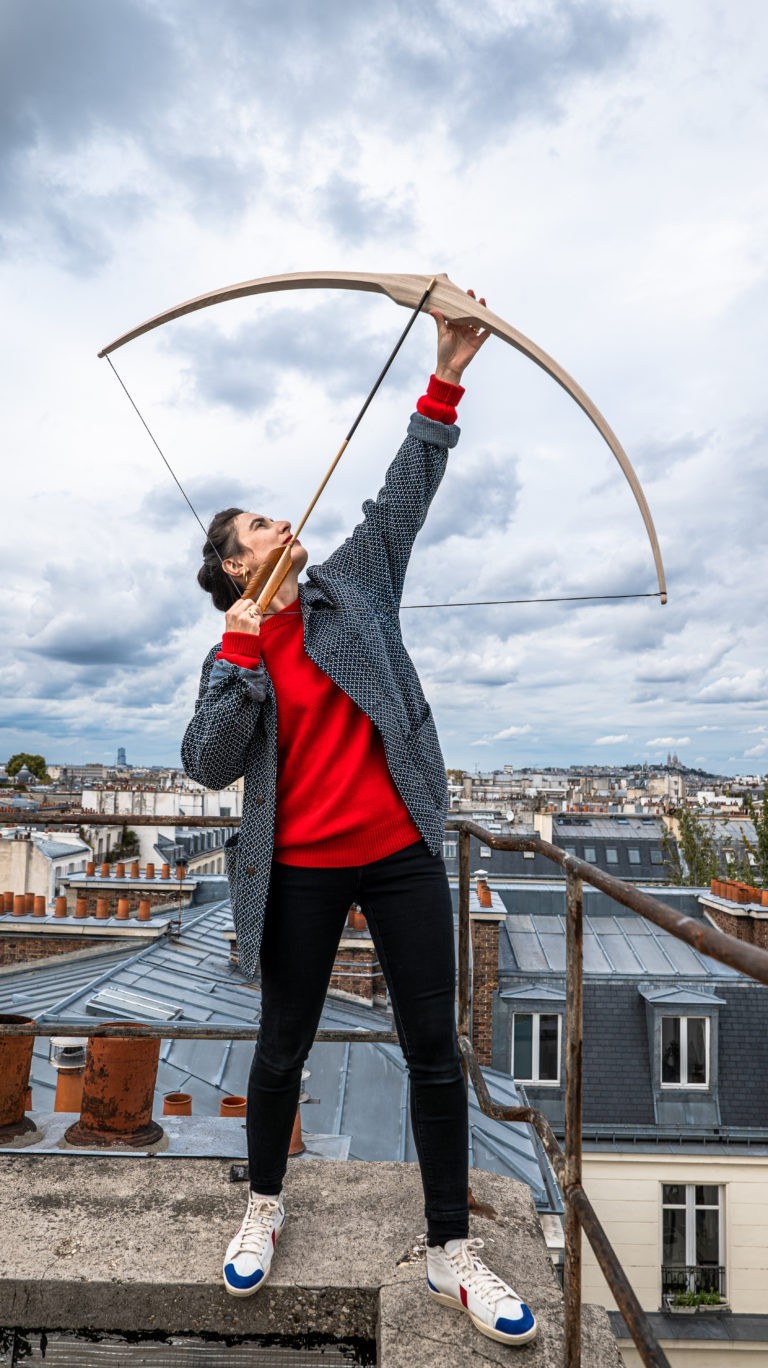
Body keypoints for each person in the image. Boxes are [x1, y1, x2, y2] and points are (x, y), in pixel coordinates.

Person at [181, 289, 537, 1348]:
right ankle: (263, 1209)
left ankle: (448, 1252)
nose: (281, 523)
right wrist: (242, 656)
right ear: (235, 568)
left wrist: (450, 364)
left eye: (275, 517)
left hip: (395, 854)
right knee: (280, 1047)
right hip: (295, 870)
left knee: (435, 1046)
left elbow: (403, 491)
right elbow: (206, 767)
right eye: (258, 527)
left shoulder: (354, 586)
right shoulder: (230, 652)